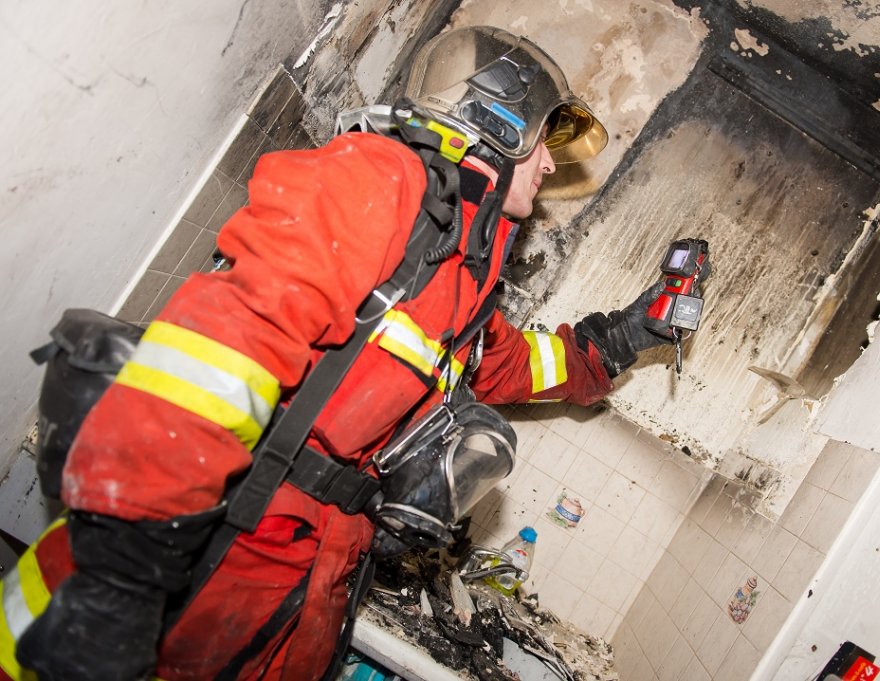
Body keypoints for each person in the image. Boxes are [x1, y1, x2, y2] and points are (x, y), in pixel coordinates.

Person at [1, 25, 682, 681]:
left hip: (295, 581)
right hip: (195, 559)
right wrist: (119, 577)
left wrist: (623, 338)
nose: (550, 162)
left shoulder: (462, 279)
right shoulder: (380, 180)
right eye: (541, 142)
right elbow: (209, 363)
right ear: (498, 125)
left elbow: (516, 365)